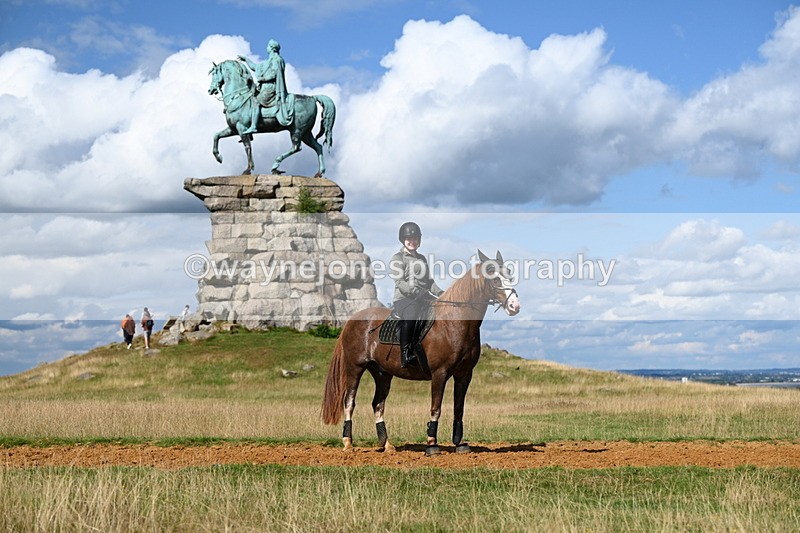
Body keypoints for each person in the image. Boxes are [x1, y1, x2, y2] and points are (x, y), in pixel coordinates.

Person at [390, 222, 444, 367]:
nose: (412, 241)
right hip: (404, 299)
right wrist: (415, 292)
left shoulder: (422, 259)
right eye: (409, 239)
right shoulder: (398, 258)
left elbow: (429, 282)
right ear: (403, 240)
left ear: (419, 240)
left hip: (423, 298)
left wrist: (441, 293)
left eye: (415, 238)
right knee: (412, 314)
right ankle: (405, 354)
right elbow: (400, 282)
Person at [237, 39, 294, 133]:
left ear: (272, 48)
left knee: (255, 101)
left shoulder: (277, 60)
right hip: (265, 88)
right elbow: (255, 67)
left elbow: (275, 74)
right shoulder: (268, 61)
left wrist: (262, 79)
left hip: (271, 88)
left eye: (268, 46)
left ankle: (254, 126)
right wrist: (246, 60)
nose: (266, 48)